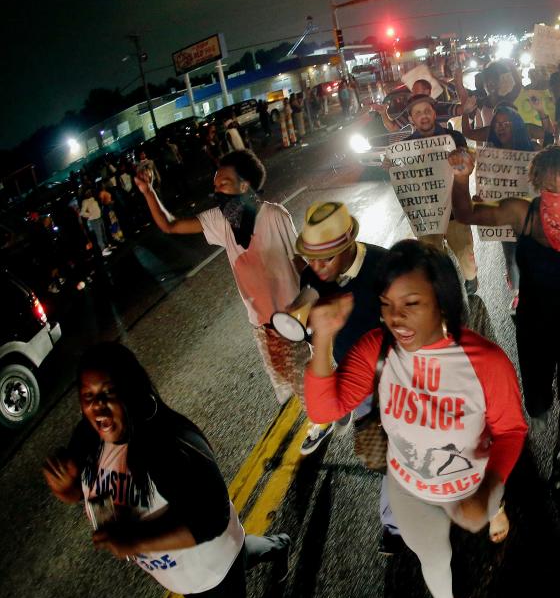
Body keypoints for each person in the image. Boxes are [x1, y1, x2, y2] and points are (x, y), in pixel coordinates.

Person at [304, 240, 526, 598]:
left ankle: (499, 507)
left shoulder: (485, 362)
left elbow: (510, 430)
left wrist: (491, 488)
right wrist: (322, 340)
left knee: (489, 504)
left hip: (471, 482)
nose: (396, 319)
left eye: (411, 304)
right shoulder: (378, 347)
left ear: (442, 301)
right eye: (386, 304)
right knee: (433, 559)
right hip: (408, 487)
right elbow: (325, 406)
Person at [42, 343, 290, 598]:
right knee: (242, 549)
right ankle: (278, 545)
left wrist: (135, 540)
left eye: (109, 393)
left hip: (206, 569)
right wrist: (67, 489)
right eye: (87, 396)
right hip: (184, 562)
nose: (97, 407)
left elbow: (209, 519)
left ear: (131, 388)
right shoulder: (90, 435)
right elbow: (85, 490)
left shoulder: (167, 442)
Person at [449, 144, 560, 487]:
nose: (558, 196)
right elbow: (466, 214)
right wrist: (460, 179)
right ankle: (540, 409)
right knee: (536, 394)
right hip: (533, 326)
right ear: (536, 184)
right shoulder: (522, 214)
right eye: (550, 188)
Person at [134, 149, 333, 451]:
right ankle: (329, 396)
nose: (216, 190)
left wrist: (318, 292)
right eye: (215, 185)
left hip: (290, 313)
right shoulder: (220, 220)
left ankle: (322, 418)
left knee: (296, 373)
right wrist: (148, 192)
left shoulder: (275, 214)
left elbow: (298, 260)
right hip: (260, 319)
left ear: (245, 185)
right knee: (286, 371)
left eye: (224, 183)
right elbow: (170, 224)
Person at [293, 201, 403, 553]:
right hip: (359, 382)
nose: (316, 267)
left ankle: (396, 525)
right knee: (379, 455)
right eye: (310, 258)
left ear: (346, 246)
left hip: (398, 376)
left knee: (407, 450)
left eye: (324, 259)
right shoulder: (313, 275)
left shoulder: (386, 268)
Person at [402, 94, 479, 296]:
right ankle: (444, 291)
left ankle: (471, 277)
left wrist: (463, 157)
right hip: (426, 213)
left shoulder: (454, 138)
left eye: (427, 111)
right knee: (432, 256)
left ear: (434, 113)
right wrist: (392, 166)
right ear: (411, 119)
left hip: (454, 207)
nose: (423, 116)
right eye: (417, 113)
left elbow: (469, 161)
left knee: (464, 251)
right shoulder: (405, 147)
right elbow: (403, 177)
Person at [484, 104, 542, 314]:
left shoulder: (532, 150)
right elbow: (487, 184)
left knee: (533, 253)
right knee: (511, 256)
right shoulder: (489, 153)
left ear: (516, 125)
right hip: (505, 214)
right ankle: (518, 294)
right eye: (498, 124)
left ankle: (537, 290)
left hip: (530, 215)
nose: (501, 128)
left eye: (506, 123)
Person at [79, 189, 110, 256]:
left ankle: (106, 247)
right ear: (85, 194)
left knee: (103, 233)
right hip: (94, 220)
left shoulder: (93, 199)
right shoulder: (85, 201)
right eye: (88, 192)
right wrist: (90, 214)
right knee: (99, 235)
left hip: (99, 218)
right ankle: (103, 250)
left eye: (90, 191)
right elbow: (82, 213)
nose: (89, 192)